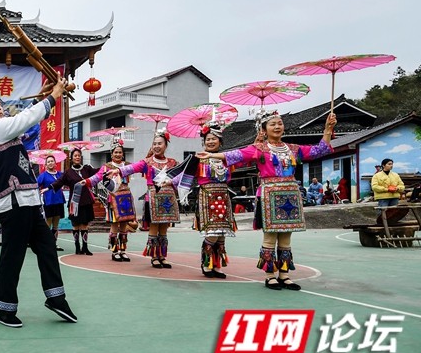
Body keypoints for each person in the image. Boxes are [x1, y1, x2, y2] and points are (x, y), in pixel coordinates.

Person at [0, 80, 76, 328]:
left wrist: (44, 96)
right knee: (13, 256)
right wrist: (54, 96)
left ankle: (56, 297)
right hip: (14, 202)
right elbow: (25, 119)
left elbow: (21, 118)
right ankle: (3, 308)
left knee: (46, 247)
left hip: (26, 202)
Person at [200, 110, 335, 291]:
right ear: (264, 129)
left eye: (279, 123)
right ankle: (270, 275)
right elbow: (237, 155)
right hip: (269, 194)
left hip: (290, 194)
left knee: (286, 237)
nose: (277, 126)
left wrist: (327, 129)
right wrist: (212, 155)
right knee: (270, 236)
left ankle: (285, 275)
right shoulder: (259, 149)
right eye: (272, 124)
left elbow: (320, 150)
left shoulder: (293, 149)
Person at [108, 131, 179, 269]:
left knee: (164, 229)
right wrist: (118, 171)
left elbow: (181, 175)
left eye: (160, 143)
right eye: (154, 144)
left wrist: (172, 182)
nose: (157, 146)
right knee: (154, 228)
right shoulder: (147, 162)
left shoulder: (172, 163)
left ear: (166, 145)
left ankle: (162, 256)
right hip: (152, 198)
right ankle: (154, 257)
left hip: (168, 198)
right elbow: (131, 168)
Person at [177, 122, 237, 279]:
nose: (211, 142)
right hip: (207, 197)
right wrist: (168, 181)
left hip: (224, 197)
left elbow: (245, 157)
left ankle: (217, 265)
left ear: (220, 142)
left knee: (222, 233)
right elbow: (184, 175)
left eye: (214, 139)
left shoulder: (226, 159)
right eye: (208, 139)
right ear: (204, 142)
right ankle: (206, 263)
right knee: (213, 232)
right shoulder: (198, 159)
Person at [89, 140, 136, 262]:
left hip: (126, 197)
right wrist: (88, 182)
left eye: (120, 152)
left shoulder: (127, 165)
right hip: (114, 198)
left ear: (123, 154)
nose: (118, 154)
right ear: (111, 154)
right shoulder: (107, 167)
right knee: (115, 224)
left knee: (124, 226)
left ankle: (123, 250)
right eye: (116, 152)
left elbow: (141, 165)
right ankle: (115, 250)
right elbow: (97, 177)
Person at [51, 148, 97, 255]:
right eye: (75, 155)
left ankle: (85, 247)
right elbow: (59, 182)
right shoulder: (68, 172)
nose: (77, 157)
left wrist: (108, 168)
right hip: (74, 203)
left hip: (86, 201)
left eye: (79, 155)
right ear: (71, 158)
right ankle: (77, 246)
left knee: (85, 225)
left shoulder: (87, 169)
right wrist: (49, 188)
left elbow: (98, 173)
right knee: (76, 225)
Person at [37, 154, 66, 251]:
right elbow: (36, 186)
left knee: (56, 224)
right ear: (45, 164)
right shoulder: (43, 176)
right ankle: (45, 244)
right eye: (48, 161)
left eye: (52, 161)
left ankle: (54, 243)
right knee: (48, 223)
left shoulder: (60, 174)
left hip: (59, 201)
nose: (50, 163)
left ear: (55, 163)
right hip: (48, 202)